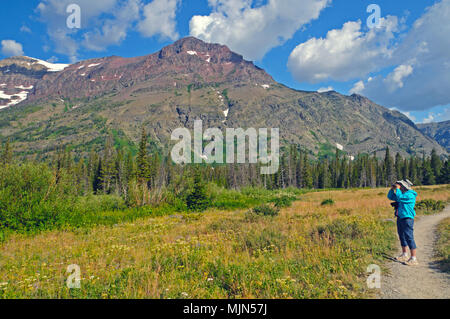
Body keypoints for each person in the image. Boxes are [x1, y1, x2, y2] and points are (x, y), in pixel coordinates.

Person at [387, 179, 419, 266]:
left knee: (409, 237)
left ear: (404, 186)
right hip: (400, 217)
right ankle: (404, 254)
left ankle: (413, 258)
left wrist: (397, 189)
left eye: (400, 185)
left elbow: (399, 197)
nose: (399, 186)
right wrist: (392, 189)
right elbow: (390, 197)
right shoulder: (402, 194)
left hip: (407, 218)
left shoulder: (410, 195)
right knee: (401, 236)